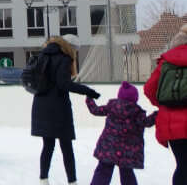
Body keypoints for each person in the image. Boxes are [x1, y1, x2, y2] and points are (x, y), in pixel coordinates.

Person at [32, 35, 100, 185]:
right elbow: (64, 84)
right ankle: (72, 181)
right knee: (66, 146)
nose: (75, 53)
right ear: (70, 47)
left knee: (48, 145)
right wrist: (88, 91)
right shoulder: (64, 58)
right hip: (58, 107)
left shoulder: (42, 54)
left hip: (41, 104)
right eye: (75, 50)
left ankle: (43, 179)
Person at [86, 81, 156, 185]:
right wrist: (157, 115)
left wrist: (89, 98)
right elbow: (146, 122)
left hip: (108, 147)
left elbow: (95, 110)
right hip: (127, 152)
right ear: (135, 98)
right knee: (127, 174)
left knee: (103, 171)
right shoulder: (136, 112)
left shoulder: (111, 106)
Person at [144, 24, 187, 185]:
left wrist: (163, 104)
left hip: (171, 124)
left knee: (182, 166)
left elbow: (149, 89)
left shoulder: (165, 62)